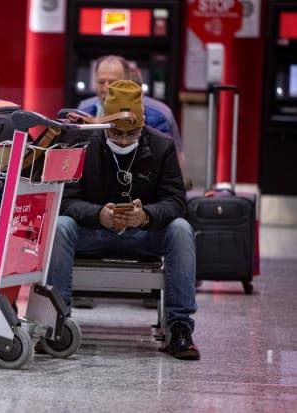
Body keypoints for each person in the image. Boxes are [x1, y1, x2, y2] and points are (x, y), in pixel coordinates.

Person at [47, 80, 200, 360]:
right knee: (60, 227)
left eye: (133, 134)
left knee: (180, 229)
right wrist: (97, 215)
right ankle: (56, 320)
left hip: (142, 234)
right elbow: (63, 201)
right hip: (93, 231)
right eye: (116, 133)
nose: (125, 140)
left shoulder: (161, 146)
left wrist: (146, 216)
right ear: (105, 124)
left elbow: (177, 203)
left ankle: (180, 327)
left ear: (142, 127)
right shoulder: (82, 142)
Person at [77, 55, 186, 171]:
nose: (106, 88)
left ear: (128, 82)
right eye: (101, 82)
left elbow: (170, 161)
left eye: (113, 83)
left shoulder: (159, 115)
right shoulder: (82, 111)